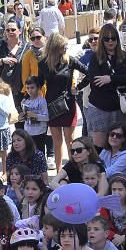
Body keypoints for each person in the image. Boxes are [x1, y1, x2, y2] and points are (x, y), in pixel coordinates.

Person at [39, 32, 87, 167]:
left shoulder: (69, 60)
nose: (66, 48)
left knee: (70, 140)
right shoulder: (43, 63)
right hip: (52, 105)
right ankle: (59, 171)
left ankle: (73, 168)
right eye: (63, 45)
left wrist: (78, 87)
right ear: (55, 47)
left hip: (68, 103)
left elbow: (88, 71)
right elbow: (38, 83)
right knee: (56, 140)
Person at [0, 20, 27, 96]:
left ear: (20, 31)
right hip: (2, 89)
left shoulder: (26, 47)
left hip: (21, 89)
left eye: (13, 29)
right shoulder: (0, 46)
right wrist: (3, 60)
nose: (10, 32)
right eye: (8, 30)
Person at [19, 76, 49, 157]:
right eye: (27, 88)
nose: (29, 90)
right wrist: (21, 117)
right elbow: (24, 118)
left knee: (39, 154)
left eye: (32, 88)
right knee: (29, 154)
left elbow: (46, 117)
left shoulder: (42, 101)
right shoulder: (25, 101)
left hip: (39, 133)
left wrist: (35, 116)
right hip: (28, 132)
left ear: (38, 88)